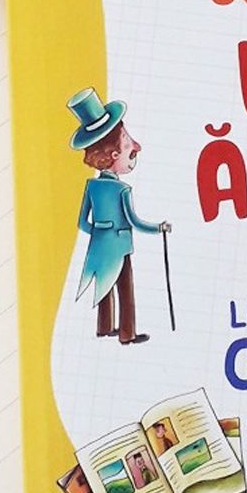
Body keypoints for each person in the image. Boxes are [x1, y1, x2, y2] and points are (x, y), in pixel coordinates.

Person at [68, 87, 171, 344]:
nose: (136, 147)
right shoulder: (122, 190)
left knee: (103, 280)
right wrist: (158, 228)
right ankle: (127, 333)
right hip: (121, 245)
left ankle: (104, 328)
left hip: (99, 245)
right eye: (128, 145)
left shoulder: (92, 187)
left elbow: (82, 222)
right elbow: (134, 221)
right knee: (125, 288)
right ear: (114, 155)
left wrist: (100, 232)